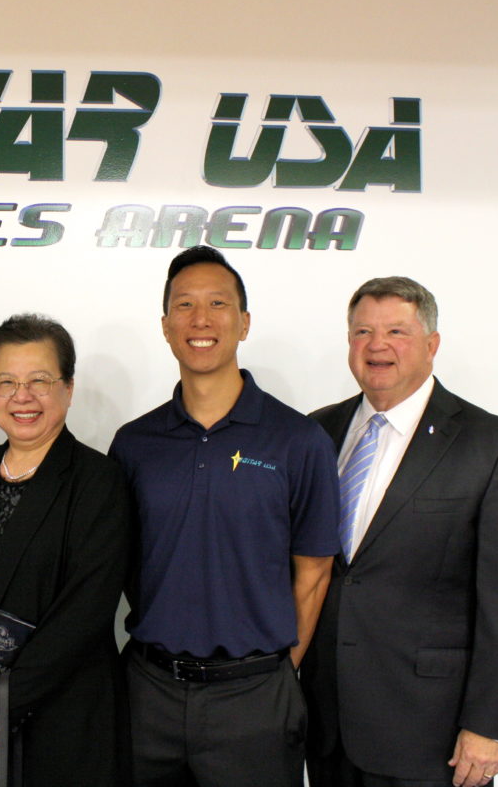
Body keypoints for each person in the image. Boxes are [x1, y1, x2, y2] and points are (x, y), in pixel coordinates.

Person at [302, 277, 498, 787]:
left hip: (431, 734)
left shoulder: (495, 446)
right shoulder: (315, 433)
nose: (377, 345)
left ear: (432, 345)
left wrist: (489, 726)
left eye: (397, 331)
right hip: (325, 725)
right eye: (362, 331)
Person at [109, 245, 340, 786]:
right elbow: (118, 565)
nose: (201, 319)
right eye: (184, 305)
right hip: (149, 693)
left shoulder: (298, 440)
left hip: (254, 699)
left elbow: (314, 572)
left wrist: (276, 673)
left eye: (218, 303)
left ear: (244, 322)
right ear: (165, 326)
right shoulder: (134, 443)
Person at [0, 313, 132, 787]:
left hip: (65, 722)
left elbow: (84, 613)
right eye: (6, 381)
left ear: (69, 388)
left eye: (40, 380)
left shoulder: (99, 482)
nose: (22, 396)